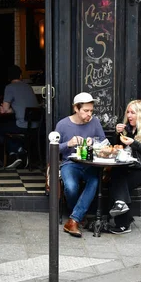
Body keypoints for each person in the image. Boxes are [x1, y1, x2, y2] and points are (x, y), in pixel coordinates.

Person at [55, 92, 106, 238]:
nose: (89, 114)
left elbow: (104, 143)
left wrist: (94, 143)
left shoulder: (95, 122)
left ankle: (74, 219)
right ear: (76, 109)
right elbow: (53, 148)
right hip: (69, 163)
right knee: (71, 187)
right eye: (86, 110)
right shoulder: (63, 124)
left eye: (91, 110)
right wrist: (68, 143)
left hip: (90, 163)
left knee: (94, 181)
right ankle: (78, 215)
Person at [109, 100, 141, 234]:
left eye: (133, 112)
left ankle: (123, 223)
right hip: (128, 166)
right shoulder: (128, 128)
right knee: (115, 173)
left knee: (120, 182)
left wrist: (134, 143)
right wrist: (117, 133)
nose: (129, 115)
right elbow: (117, 147)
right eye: (128, 112)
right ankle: (124, 216)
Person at [0, 64, 40, 168]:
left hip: (22, 125)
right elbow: (23, 106)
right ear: (20, 76)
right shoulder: (28, 87)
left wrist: (3, 109)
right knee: (10, 128)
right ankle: (17, 153)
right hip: (36, 125)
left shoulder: (9, 87)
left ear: (8, 78)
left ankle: (17, 151)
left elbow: (5, 110)